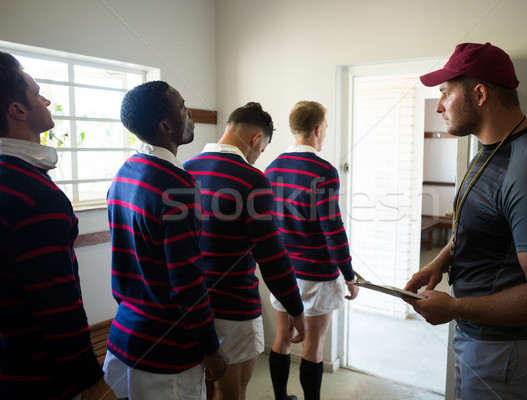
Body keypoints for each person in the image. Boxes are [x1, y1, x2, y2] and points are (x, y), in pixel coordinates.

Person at [403, 43, 527, 400]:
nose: (438, 106)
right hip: (482, 337)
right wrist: (440, 262)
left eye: (446, 94)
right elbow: (479, 226)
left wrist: (453, 307)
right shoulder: (489, 152)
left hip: (510, 350)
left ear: (479, 94)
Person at [0, 51, 116, 399]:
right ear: (18, 110)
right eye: (37, 93)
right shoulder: (36, 196)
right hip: (40, 377)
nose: (46, 99)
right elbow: (57, 304)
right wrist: (93, 382)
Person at [103, 81, 228, 399]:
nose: (191, 117)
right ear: (165, 126)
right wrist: (210, 347)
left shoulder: (124, 173)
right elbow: (186, 282)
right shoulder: (178, 185)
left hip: (124, 335)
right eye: (184, 109)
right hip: (166, 351)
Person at [183, 102, 307, 400]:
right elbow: (272, 256)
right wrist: (296, 308)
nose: (258, 157)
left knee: (203, 392)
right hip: (235, 309)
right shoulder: (252, 180)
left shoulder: (185, 171)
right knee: (232, 394)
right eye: (262, 150)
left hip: (192, 307)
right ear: (256, 139)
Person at [265, 101, 359, 400]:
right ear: (318, 129)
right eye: (326, 128)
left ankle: (281, 398)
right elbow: (332, 229)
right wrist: (349, 273)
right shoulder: (324, 170)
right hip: (317, 273)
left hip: (282, 270)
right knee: (313, 344)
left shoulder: (272, 168)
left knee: (281, 337)